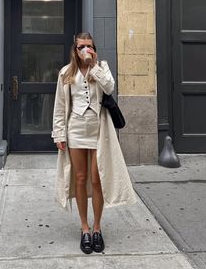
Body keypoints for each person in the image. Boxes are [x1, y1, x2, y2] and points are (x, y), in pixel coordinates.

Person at [52, 32, 136, 254]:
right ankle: (85, 228)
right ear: (75, 49)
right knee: (80, 179)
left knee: (97, 178)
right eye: (81, 47)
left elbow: (109, 88)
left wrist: (95, 66)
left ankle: (97, 228)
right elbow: (60, 107)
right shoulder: (65, 73)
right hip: (75, 130)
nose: (85, 50)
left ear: (93, 48)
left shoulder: (102, 68)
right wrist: (59, 135)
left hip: (98, 131)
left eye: (89, 46)